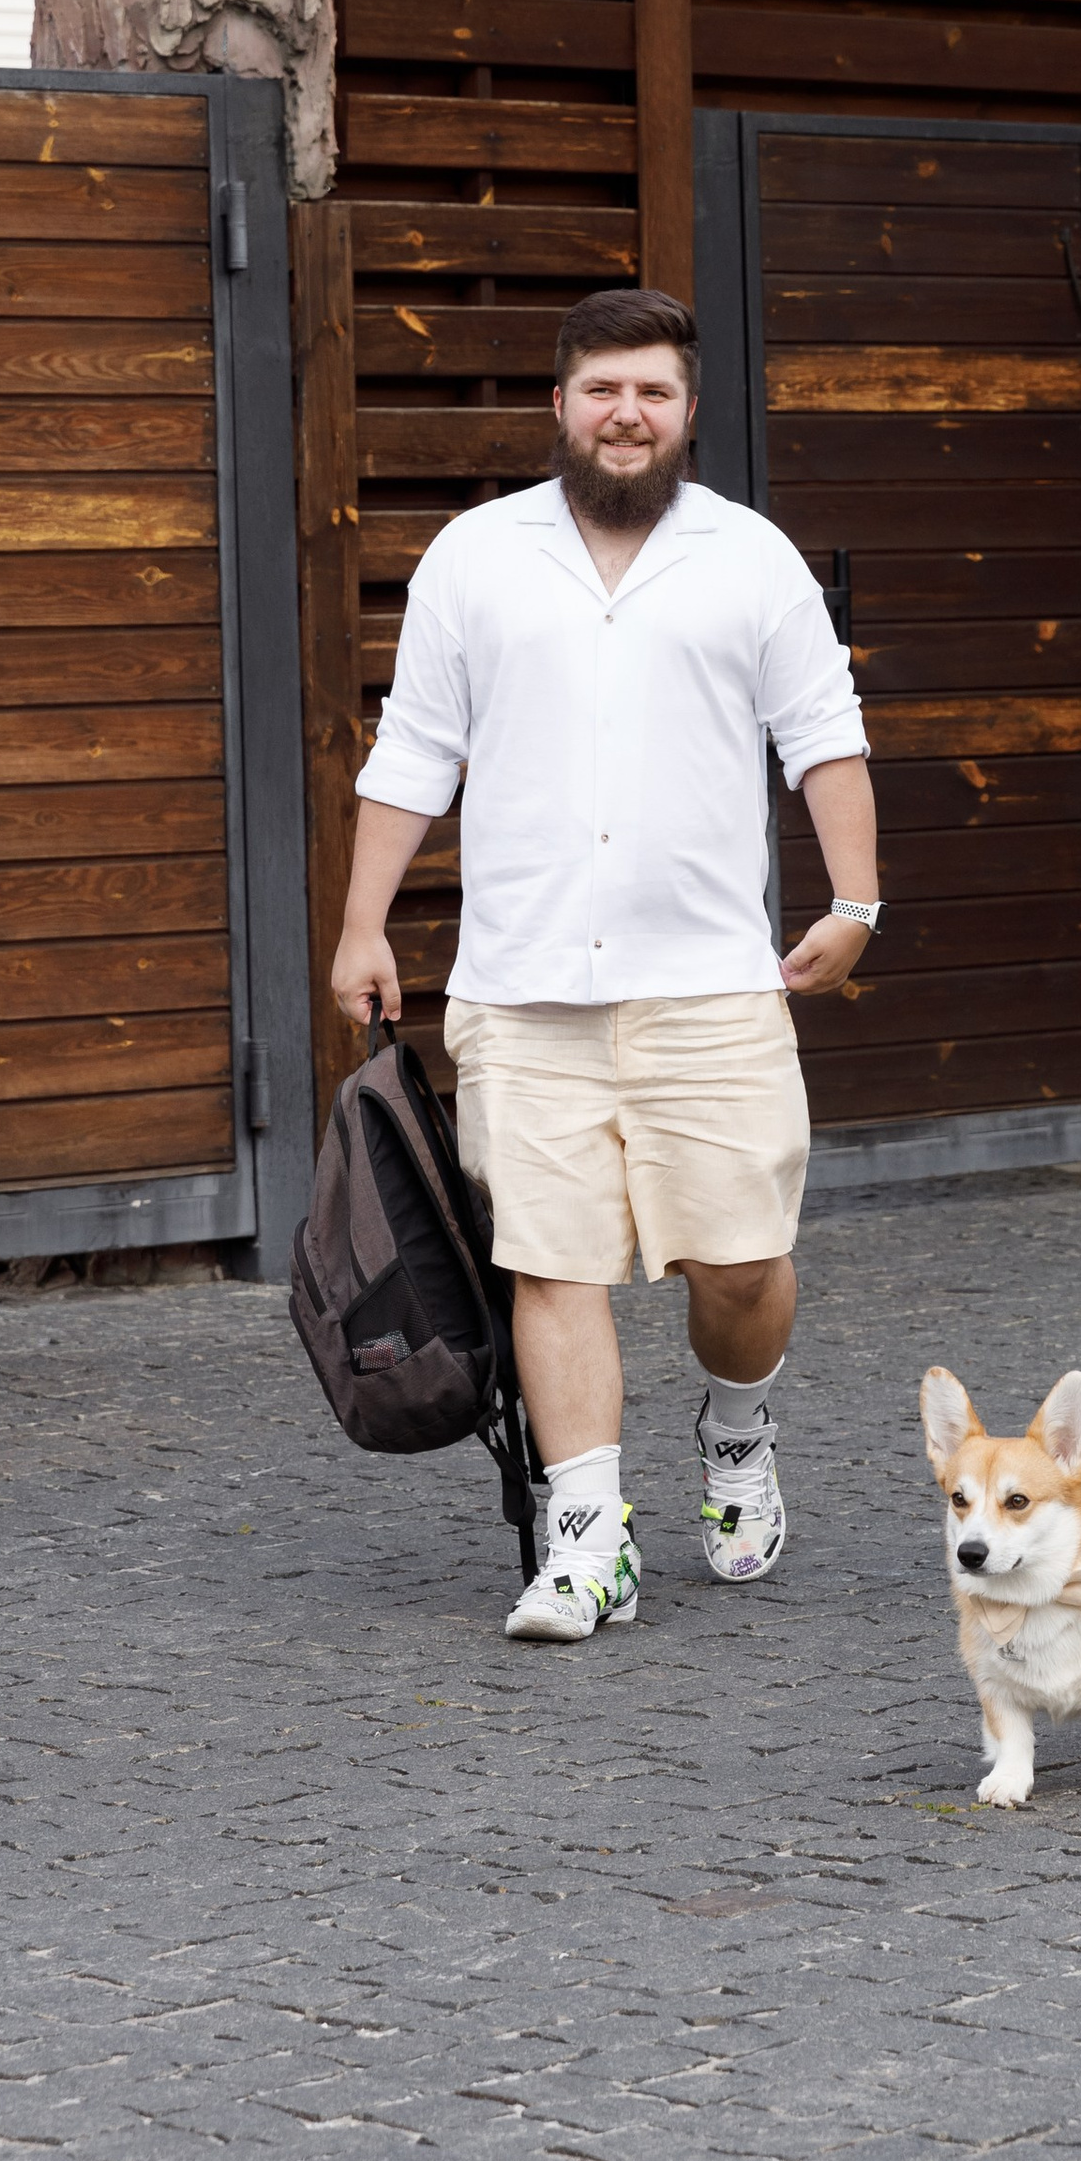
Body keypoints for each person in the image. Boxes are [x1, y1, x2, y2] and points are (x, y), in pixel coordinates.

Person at [330, 286, 882, 1646]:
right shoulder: (474, 557)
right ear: (560, 407)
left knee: (741, 1268)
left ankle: (737, 1425)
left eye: (651, 391)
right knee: (550, 1261)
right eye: (599, 390)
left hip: (711, 983)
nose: (624, 412)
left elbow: (824, 735)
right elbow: (413, 750)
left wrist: (858, 897)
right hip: (521, 987)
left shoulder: (752, 560)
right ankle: (587, 1542)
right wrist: (360, 924)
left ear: (688, 412)